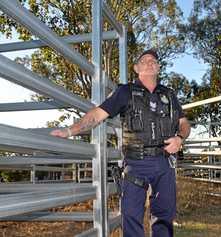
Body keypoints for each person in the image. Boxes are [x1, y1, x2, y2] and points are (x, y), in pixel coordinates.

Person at [50, 49, 191, 237]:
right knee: (131, 217)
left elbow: (184, 124)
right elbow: (97, 115)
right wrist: (70, 130)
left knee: (164, 217)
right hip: (135, 163)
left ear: (158, 68)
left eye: (153, 61)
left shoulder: (169, 95)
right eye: (144, 60)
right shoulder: (125, 92)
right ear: (136, 68)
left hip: (165, 162)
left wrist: (180, 138)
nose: (149, 62)